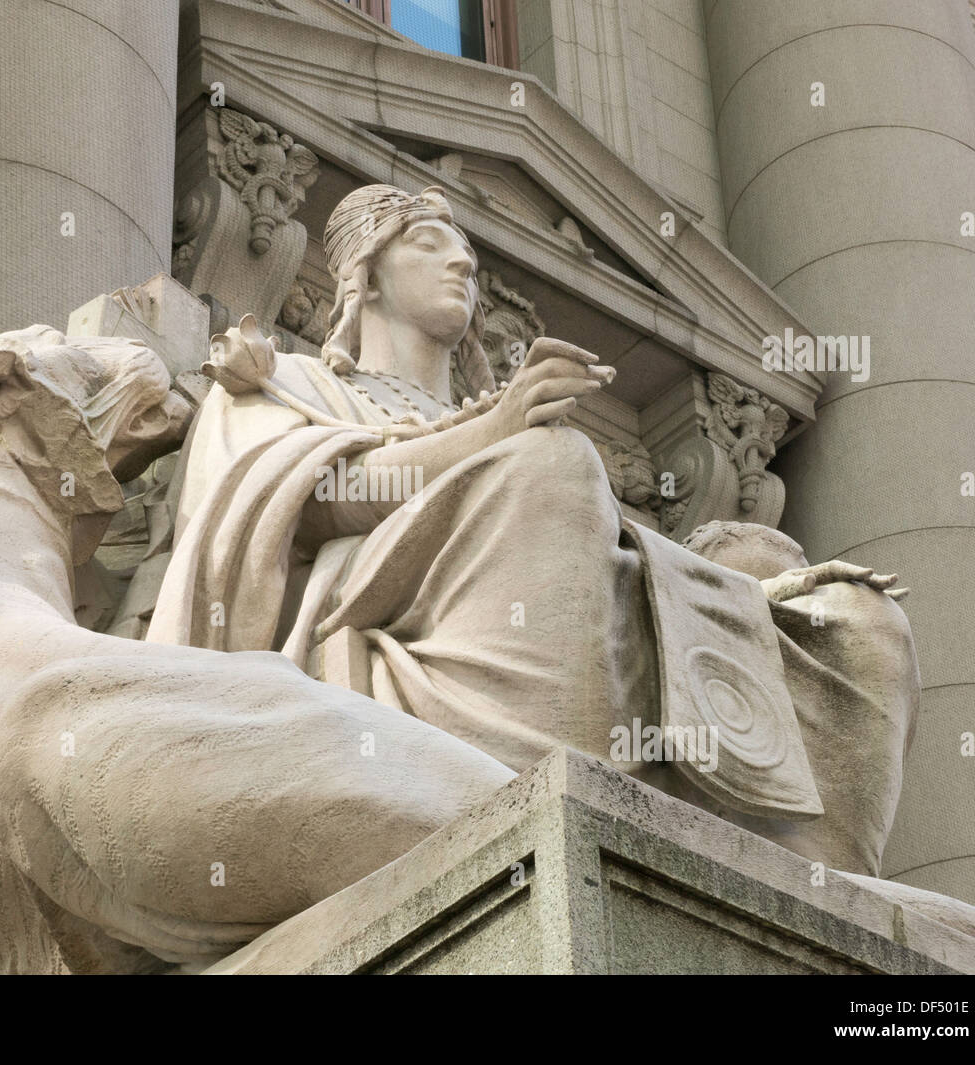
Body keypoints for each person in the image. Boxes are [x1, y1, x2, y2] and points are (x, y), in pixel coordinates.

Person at [148, 184, 919, 876]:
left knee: (854, 616)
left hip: (580, 632)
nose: (461, 266)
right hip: (384, 617)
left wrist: (743, 577)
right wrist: (497, 435)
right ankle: (559, 809)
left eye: (470, 257)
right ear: (365, 274)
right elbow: (306, 500)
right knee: (553, 464)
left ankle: (819, 893)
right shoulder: (293, 380)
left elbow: (600, 572)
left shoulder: (517, 435)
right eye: (429, 243)